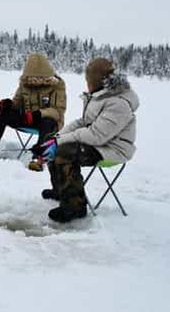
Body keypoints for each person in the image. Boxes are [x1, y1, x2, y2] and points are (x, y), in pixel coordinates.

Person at [37, 58, 138, 223]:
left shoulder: (119, 103)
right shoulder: (99, 96)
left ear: (98, 82)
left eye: (88, 81)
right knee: (52, 143)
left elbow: (96, 135)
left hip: (113, 149)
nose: (87, 84)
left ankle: (75, 206)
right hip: (99, 144)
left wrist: (60, 142)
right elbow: (83, 122)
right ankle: (61, 190)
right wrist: (57, 137)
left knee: (63, 151)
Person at [0, 53, 66, 160]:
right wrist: (7, 104)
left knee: (48, 122)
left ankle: (39, 158)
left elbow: (58, 111)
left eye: (37, 79)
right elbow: (16, 103)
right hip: (26, 118)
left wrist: (38, 114)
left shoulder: (57, 85)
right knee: (2, 112)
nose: (33, 81)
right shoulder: (24, 83)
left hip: (47, 122)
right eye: (31, 78)